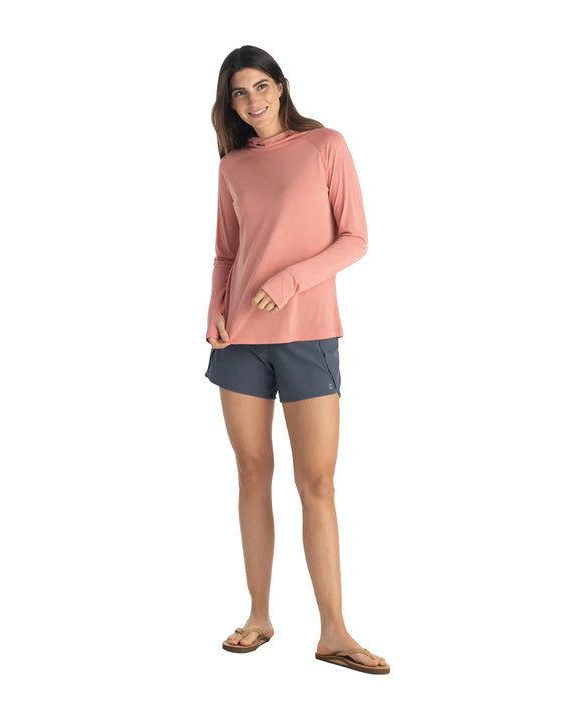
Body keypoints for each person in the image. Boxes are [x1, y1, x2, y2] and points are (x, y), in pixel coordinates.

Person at [204, 45, 389, 675]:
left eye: (260, 87)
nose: (251, 101)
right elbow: (227, 253)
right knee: (251, 473)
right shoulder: (233, 166)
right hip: (240, 340)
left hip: (309, 335)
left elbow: (355, 239)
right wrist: (214, 311)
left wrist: (288, 282)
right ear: (229, 103)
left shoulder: (325, 146)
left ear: (281, 87)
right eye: (239, 92)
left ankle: (334, 631)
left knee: (317, 484)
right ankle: (258, 616)